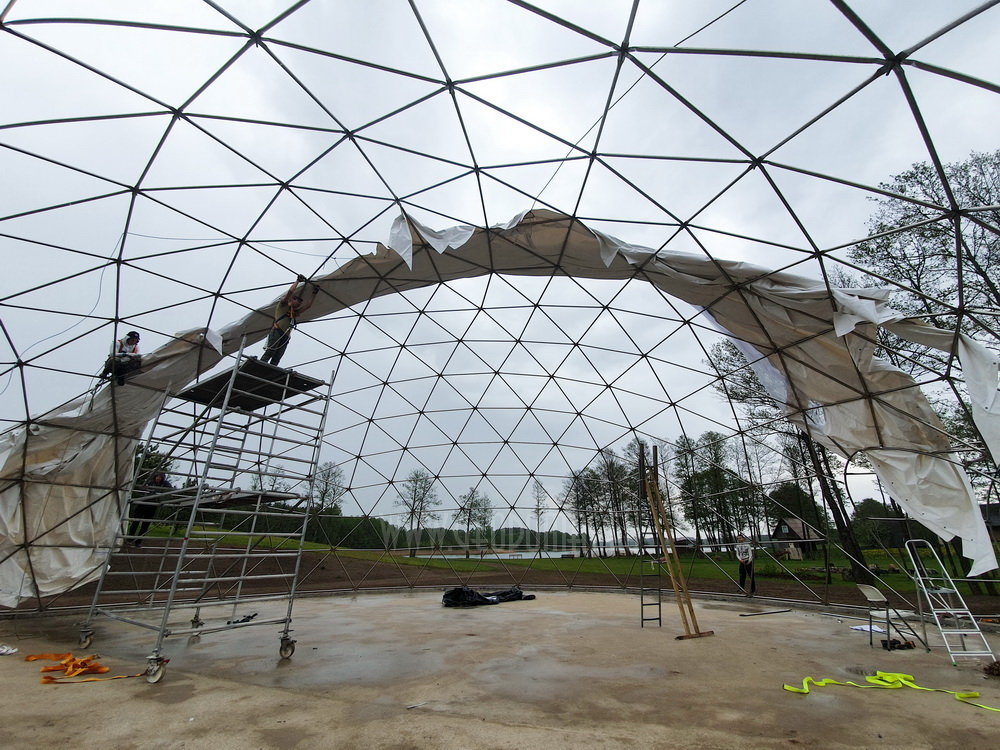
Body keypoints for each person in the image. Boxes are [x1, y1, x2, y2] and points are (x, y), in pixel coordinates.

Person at [261, 275, 318, 366]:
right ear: (291, 300)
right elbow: (290, 292)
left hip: (286, 335)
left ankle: (269, 371)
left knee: (277, 357)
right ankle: (260, 367)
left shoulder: (294, 312)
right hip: (277, 330)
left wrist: (314, 293)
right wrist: (297, 281)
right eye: (298, 301)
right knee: (270, 352)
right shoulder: (283, 305)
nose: (299, 304)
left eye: (300, 302)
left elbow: (308, 306)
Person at [128, 471, 172, 547]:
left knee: (146, 524)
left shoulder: (164, 484)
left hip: (153, 506)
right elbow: (141, 487)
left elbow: (170, 489)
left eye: (160, 477)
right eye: (157, 476)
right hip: (143, 504)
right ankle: (130, 538)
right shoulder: (150, 482)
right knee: (136, 521)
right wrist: (145, 487)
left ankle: (138, 541)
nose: (158, 478)